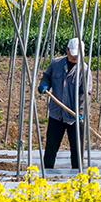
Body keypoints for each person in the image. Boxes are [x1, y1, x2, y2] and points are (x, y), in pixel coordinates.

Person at [37, 38, 91, 171]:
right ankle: (47, 173)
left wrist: (81, 113)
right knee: (51, 148)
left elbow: (86, 94)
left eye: (77, 55)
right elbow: (47, 77)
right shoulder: (56, 64)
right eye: (72, 55)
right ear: (67, 50)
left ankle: (78, 175)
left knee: (77, 150)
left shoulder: (84, 70)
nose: (74, 58)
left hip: (74, 116)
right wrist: (44, 85)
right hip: (57, 114)